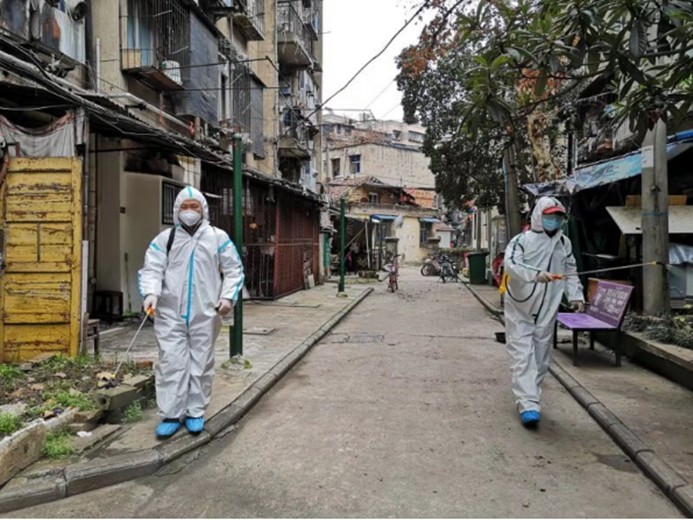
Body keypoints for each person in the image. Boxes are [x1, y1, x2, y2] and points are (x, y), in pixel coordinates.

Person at [139, 187, 245, 438]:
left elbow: (234, 270)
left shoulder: (217, 237)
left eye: (194, 206)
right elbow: (152, 269)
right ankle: (171, 414)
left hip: (206, 312)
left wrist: (228, 297)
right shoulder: (165, 239)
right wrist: (151, 293)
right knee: (171, 361)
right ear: (177, 209)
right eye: (184, 206)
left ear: (203, 209)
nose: (189, 211)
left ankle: (195, 411)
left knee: (201, 362)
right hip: (169, 312)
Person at [503, 197, 585, 428]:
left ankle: (532, 395)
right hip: (520, 307)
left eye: (558, 216)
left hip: (548, 308)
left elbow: (570, 270)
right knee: (522, 355)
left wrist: (576, 295)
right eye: (550, 216)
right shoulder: (521, 241)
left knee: (541, 357)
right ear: (539, 215)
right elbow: (511, 264)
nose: (554, 220)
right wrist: (535, 275)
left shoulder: (564, 243)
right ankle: (527, 403)